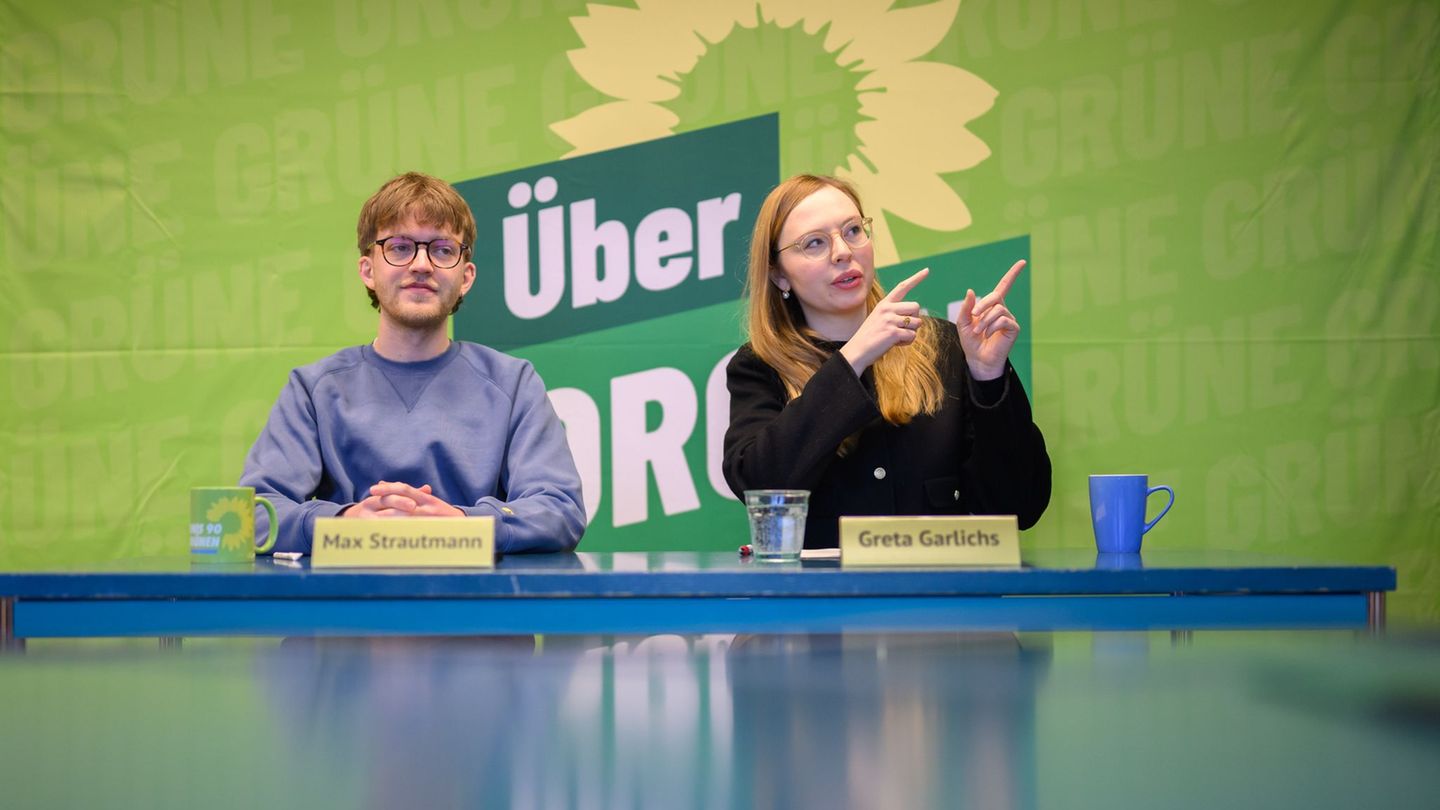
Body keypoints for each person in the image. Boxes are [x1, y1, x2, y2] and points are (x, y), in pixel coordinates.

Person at [239, 172, 586, 554]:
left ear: (465, 276)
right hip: (345, 608)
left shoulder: (513, 383)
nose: (421, 264)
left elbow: (560, 511)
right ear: (368, 270)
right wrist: (344, 522)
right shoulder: (314, 389)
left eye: (441, 249)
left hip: (475, 609)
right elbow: (253, 515)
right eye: (400, 247)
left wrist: (463, 524)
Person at [722, 174, 1051, 548]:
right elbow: (761, 487)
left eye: (852, 230)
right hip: (827, 601)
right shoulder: (758, 366)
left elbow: (1021, 505)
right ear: (779, 275)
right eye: (814, 243)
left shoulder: (943, 345)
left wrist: (988, 377)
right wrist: (852, 360)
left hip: (943, 599)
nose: (842, 251)